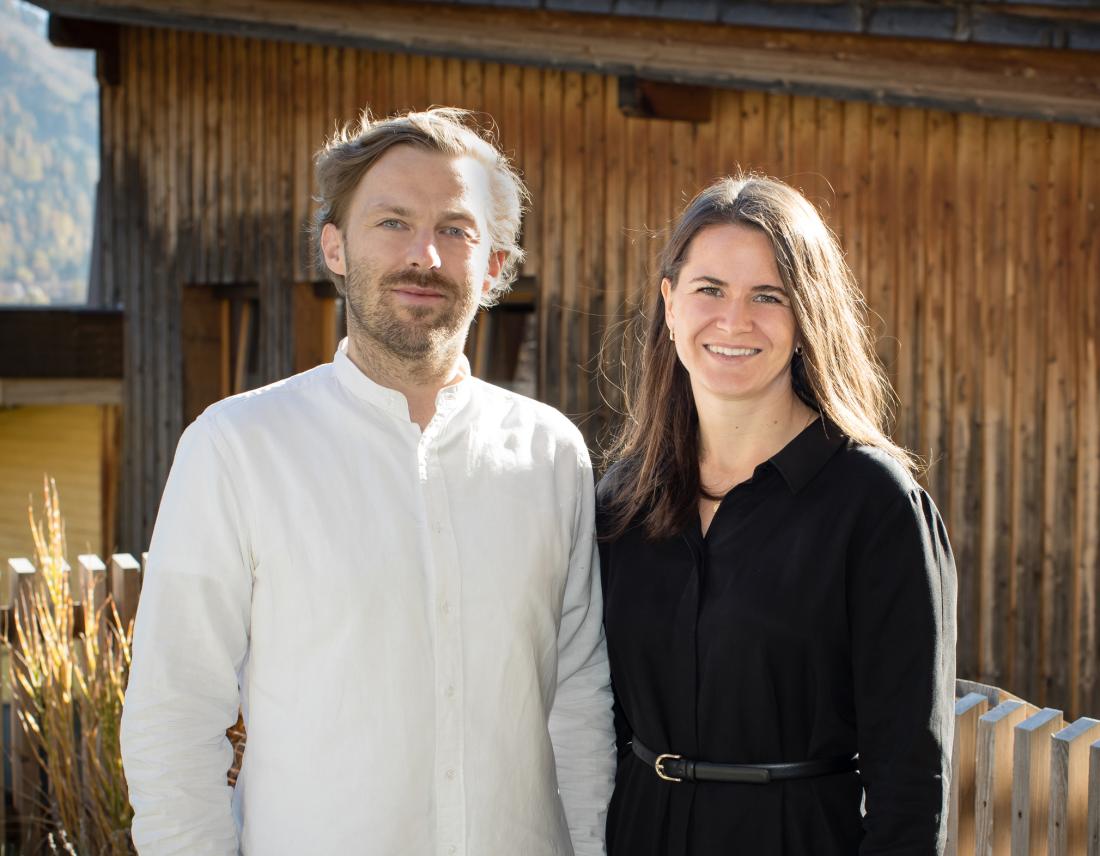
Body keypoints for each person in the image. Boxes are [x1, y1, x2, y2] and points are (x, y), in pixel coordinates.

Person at [120, 107, 615, 855]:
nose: (424, 254)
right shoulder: (236, 448)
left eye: (456, 228)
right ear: (335, 249)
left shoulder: (552, 456)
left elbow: (578, 702)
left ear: (494, 267)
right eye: (391, 222)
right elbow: (174, 715)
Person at [597, 175, 956, 855]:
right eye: (710, 290)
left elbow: (910, 770)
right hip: (643, 831)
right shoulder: (623, 499)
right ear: (670, 305)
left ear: (806, 319)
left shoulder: (874, 503)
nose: (734, 321)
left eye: (769, 296)